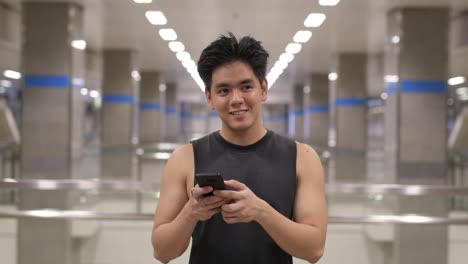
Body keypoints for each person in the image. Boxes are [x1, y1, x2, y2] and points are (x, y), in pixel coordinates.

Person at [151, 33, 327, 264]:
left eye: (246, 87)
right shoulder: (184, 158)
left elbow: (314, 250)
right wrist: (190, 214)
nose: (236, 99)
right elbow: (162, 252)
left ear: (263, 89)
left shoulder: (301, 157)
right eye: (223, 90)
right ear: (209, 98)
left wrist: (261, 212)